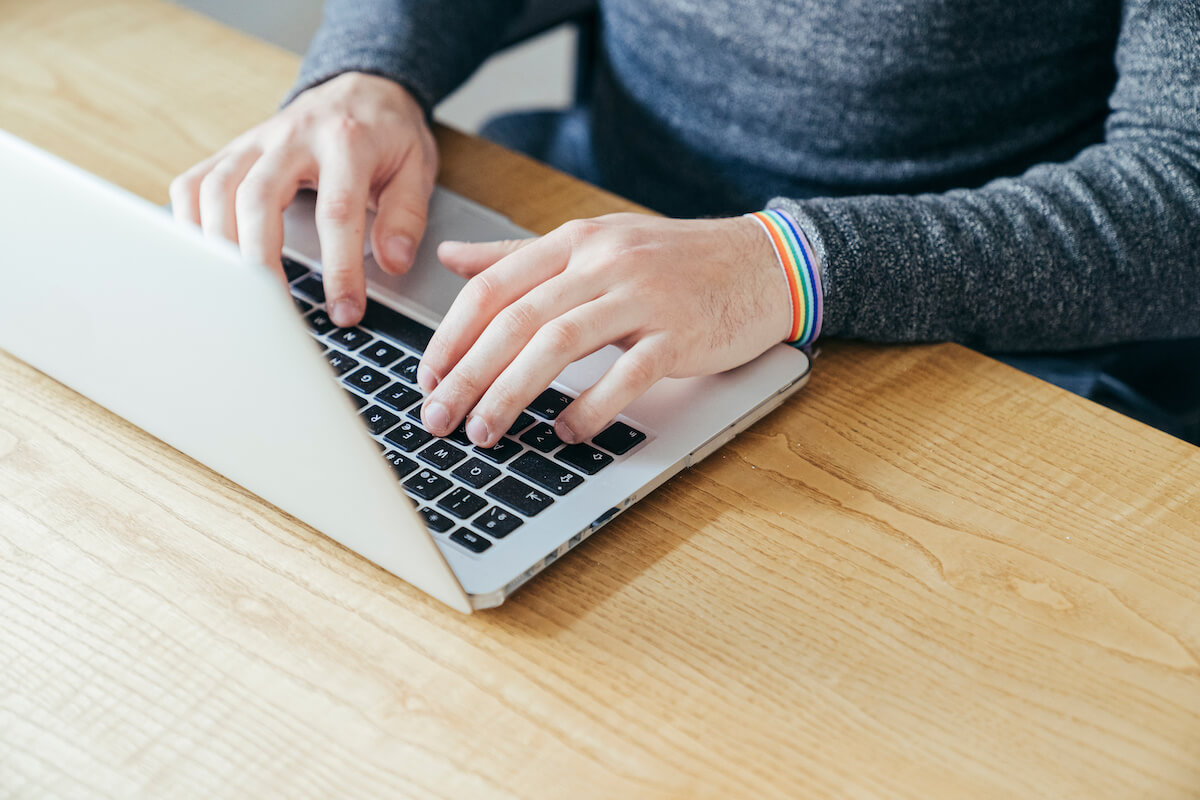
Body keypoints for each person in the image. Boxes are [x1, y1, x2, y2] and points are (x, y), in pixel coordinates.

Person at [171, 0, 1200, 447]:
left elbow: (1181, 190)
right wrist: (372, 66)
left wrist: (784, 265)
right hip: (601, 248)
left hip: (986, 359)